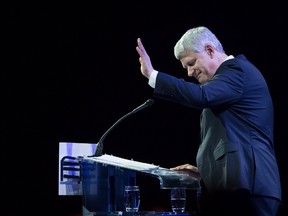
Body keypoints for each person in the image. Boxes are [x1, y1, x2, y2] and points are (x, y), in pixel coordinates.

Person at [136, 26, 282, 216]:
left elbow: (201, 96)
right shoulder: (225, 84)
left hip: (250, 187)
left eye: (191, 63)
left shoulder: (237, 70)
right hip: (234, 187)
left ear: (210, 50)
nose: (189, 73)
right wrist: (206, 171)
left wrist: (152, 75)